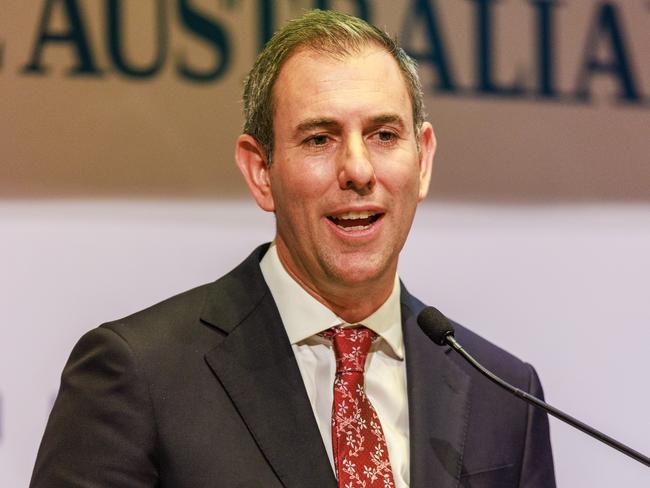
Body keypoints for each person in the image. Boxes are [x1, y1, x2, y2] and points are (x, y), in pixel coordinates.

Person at [30, 9, 555, 488]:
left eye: (384, 135)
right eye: (319, 139)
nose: (358, 171)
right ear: (261, 172)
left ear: (424, 161)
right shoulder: (138, 374)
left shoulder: (505, 394)